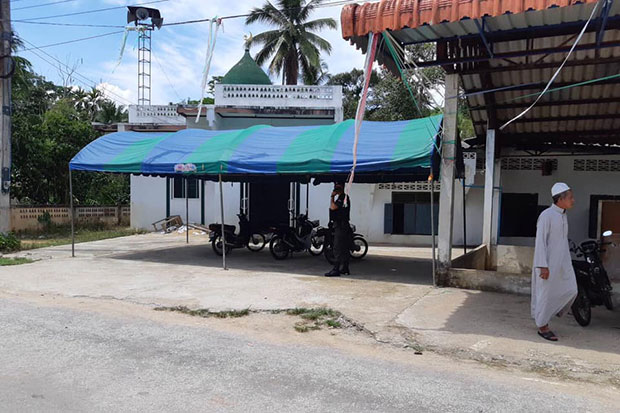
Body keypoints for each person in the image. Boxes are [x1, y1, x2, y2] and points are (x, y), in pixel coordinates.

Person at [531, 182, 578, 341]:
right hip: (548, 263)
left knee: (572, 289)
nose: (573, 200)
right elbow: (540, 242)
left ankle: (557, 309)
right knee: (545, 295)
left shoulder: (563, 215)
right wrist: (542, 265)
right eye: (570, 198)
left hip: (563, 262)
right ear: (560, 199)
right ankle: (542, 326)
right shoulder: (547, 215)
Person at [325, 183, 351, 277]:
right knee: (344, 247)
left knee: (337, 247)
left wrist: (331, 197)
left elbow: (333, 207)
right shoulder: (344, 197)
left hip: (341, 226)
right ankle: (345, 268)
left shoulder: (342, 198)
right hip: (343, 225)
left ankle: (336, 269)